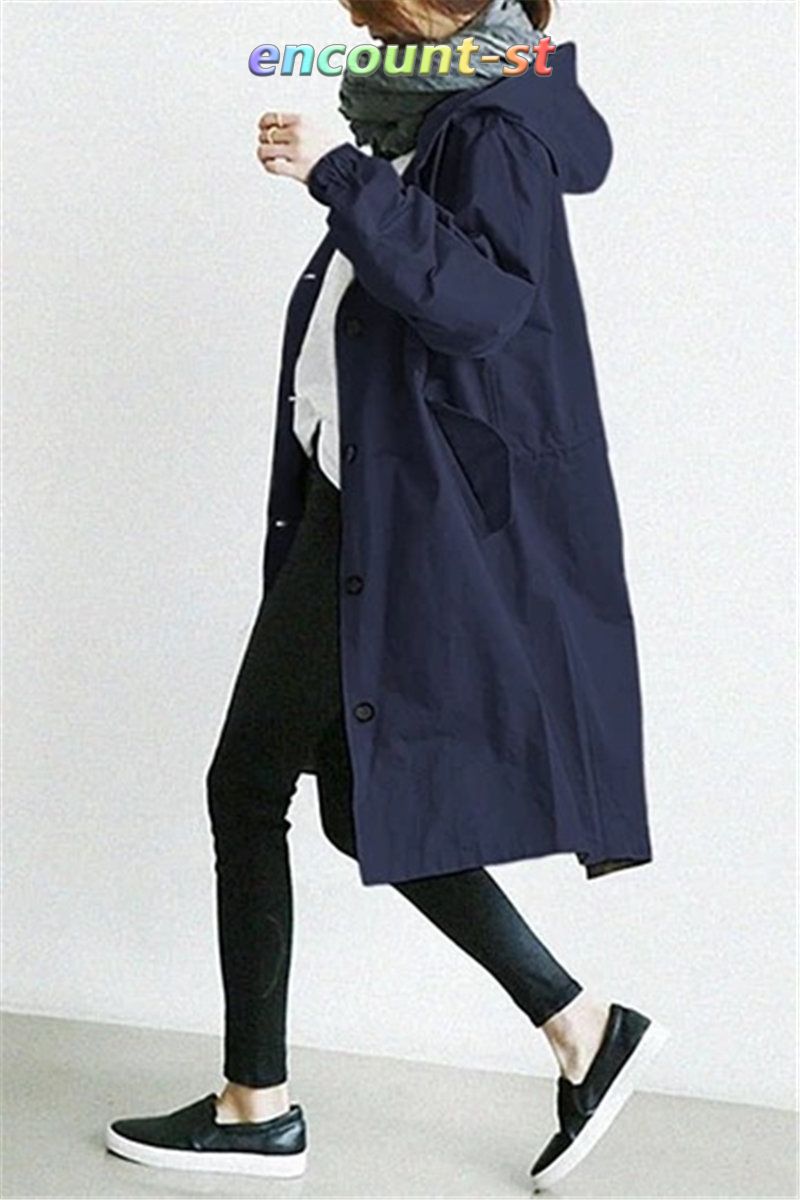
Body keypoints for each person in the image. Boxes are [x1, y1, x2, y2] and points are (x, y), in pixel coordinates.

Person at [104, 0, 669, 1190]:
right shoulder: (435, 111)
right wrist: (349, 171)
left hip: (395, 508)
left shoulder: (493, 126)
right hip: (356, 487)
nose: (359, 27)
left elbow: (480, 304)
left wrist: (338, 173)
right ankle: (580, 1027)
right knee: (361, 803)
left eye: (373, 10)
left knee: (248, 783)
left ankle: (255, 1107)